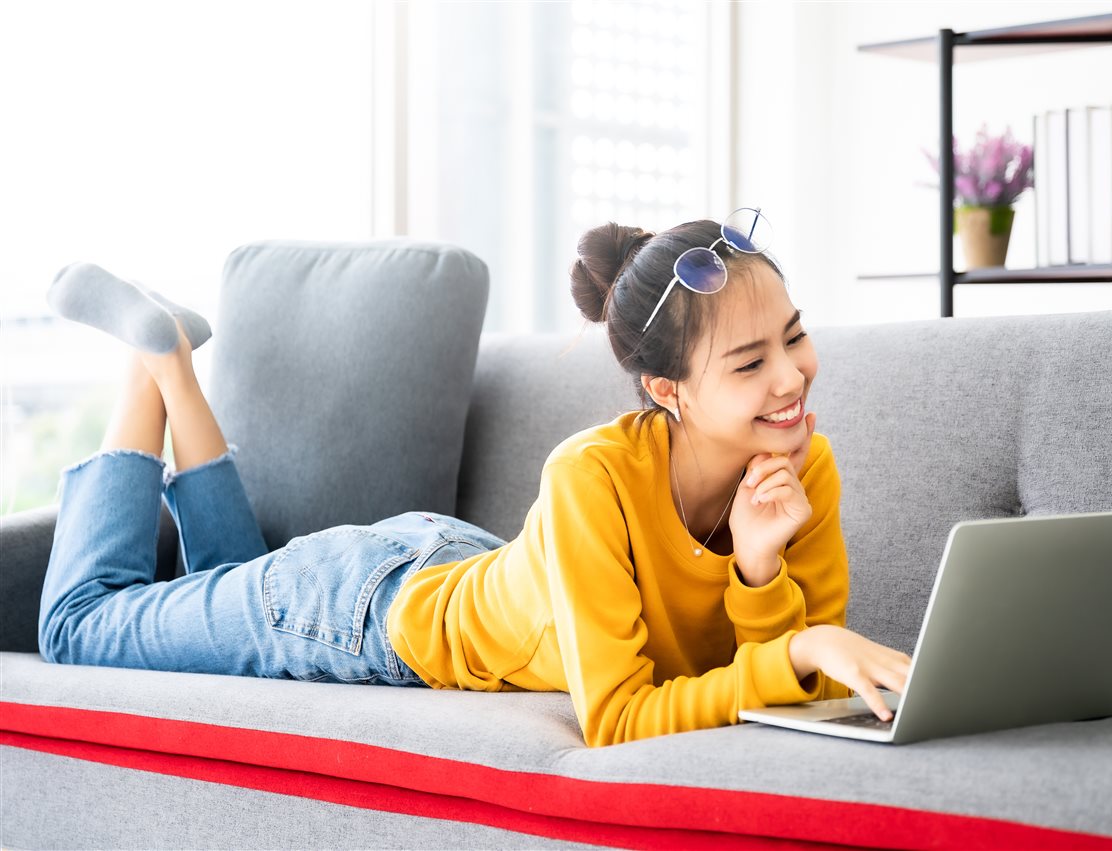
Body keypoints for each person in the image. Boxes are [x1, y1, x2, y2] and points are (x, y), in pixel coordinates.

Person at [38, 209, 911, 748]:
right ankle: (148, 362)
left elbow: (822, 693)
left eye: (794, 337)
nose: (792, 378)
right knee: (79, 629)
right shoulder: (592, 476)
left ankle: (176, 368)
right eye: (751, 362)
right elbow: (618, 717)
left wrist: (760, 574)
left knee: (218, 594)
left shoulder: (802, 466)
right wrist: (793, 644)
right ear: (665, 388)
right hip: (368, 612)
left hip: (473, 569)